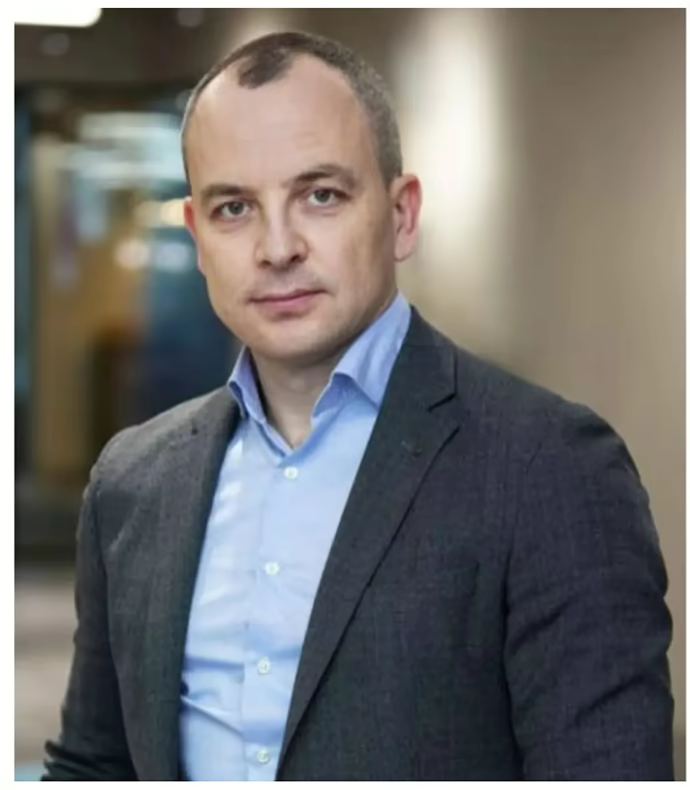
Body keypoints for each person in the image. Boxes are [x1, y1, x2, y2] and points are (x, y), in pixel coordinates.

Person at [43, 31, 674, 781]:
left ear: (402, 215)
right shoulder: (131, 483)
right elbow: (93, 766)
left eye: (321, 195)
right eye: (235, 207)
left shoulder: (551, 470)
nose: (278, 247)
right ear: (198, 238)